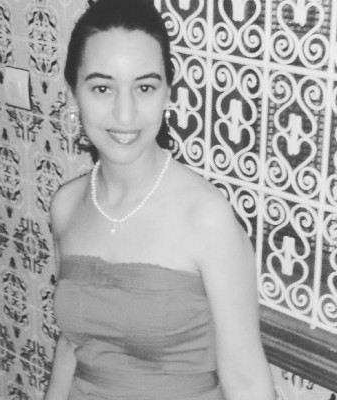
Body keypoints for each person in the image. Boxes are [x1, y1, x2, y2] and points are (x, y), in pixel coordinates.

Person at [46, 0, 275, 399]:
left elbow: (248, 382)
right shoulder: (67, 206)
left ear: (167, 92)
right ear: (74, 93)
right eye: (102, 88)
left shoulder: (206, 217)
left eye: (145, 87)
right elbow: (72, 345)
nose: (125, 114)